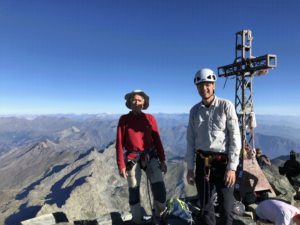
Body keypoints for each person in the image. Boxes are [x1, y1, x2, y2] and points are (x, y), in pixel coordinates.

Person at [185, 68, 241, 225]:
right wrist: (190, 168)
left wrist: (232, 167)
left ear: (214, 85)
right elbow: (190, 140)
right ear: (197, 88)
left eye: (208, 84)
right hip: (202, 162)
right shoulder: (194, 111)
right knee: (205, 206)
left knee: (226, 207)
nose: (204, 88)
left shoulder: (225, 106)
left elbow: (235, 137)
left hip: (223, 163)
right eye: (201, 85)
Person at [115, 90, 168, 225]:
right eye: (133, 100)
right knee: (134, 190)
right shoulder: (124, 120)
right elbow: (119, 144)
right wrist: (121, 165)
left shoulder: (150, 118)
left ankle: (160, 215)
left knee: (159, 188)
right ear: (129, 102)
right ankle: (137, 220)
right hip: (133, 158)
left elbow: (157, 140)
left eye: (139, 100)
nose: (136, 102)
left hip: (151, 156)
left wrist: (162, 160)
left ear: (144, 103)